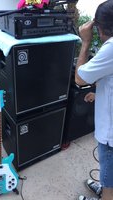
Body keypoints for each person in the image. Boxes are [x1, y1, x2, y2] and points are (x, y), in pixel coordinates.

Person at [75, 1, 113, 200]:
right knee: (110, 173)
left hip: (111, 134)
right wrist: (102, 94)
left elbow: (80, 78)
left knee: (108, 177)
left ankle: (107, 193)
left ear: (99, 27)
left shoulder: (111, 48)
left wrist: (85, 42)